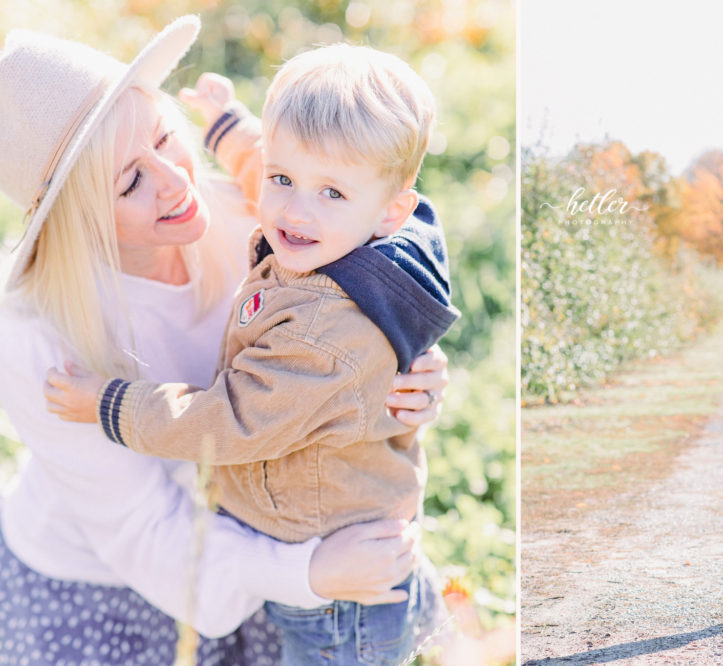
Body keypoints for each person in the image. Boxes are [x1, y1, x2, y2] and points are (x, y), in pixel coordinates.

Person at [0, 16, 449, 665]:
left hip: (270, 515)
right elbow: (141, 528)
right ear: (75, 216)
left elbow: (357, 292)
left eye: (164, 137)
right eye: (130, 181)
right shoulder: (35, 334)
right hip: (119, 571)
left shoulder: (267, 220)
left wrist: (406, 373)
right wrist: (309, 573)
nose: (177, 180)